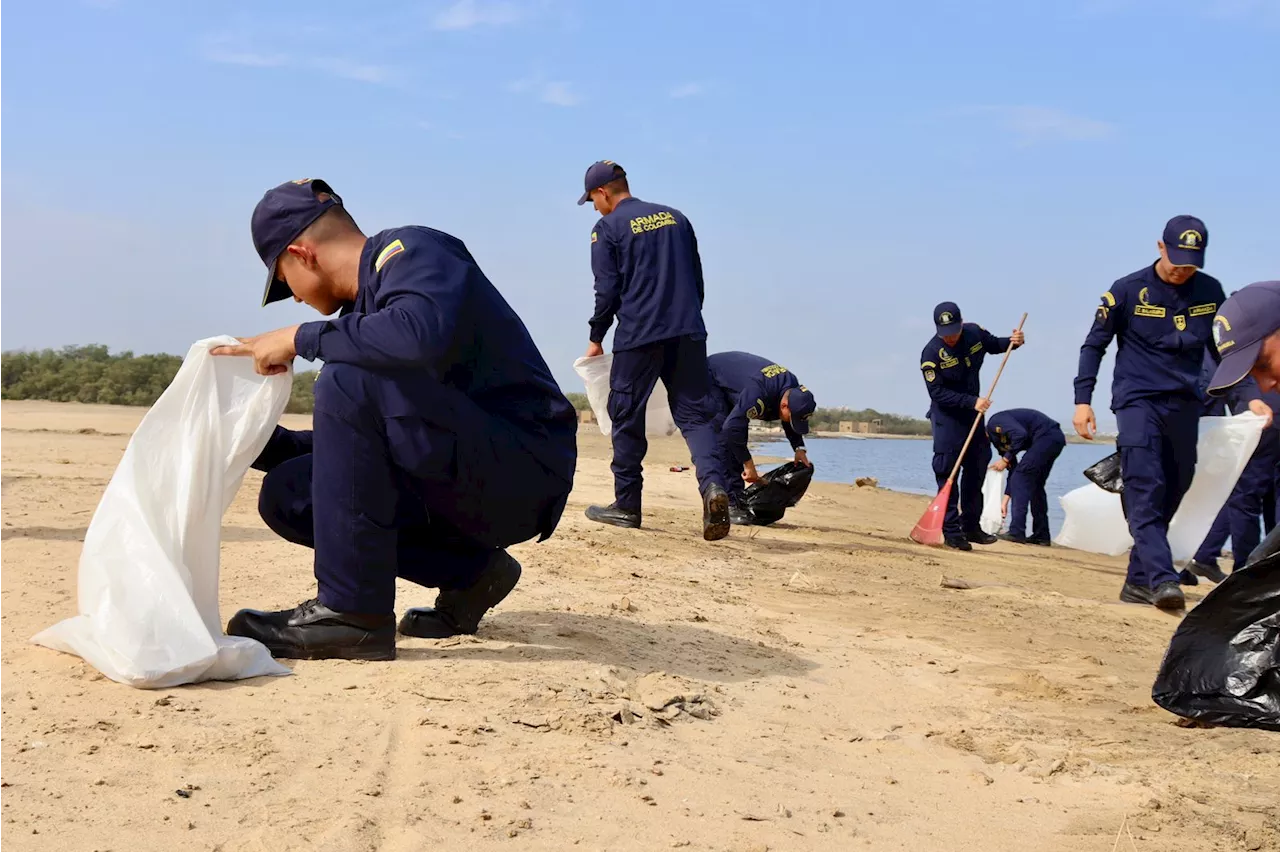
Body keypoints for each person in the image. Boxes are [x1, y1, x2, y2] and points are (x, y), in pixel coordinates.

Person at [210, 178, 578, 661]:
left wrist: (302, 337)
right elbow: (361, 453)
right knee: (290, 492)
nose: (295, 299)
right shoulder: (366, 314)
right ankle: (473, 575)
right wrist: (255, 442)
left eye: (283, 283)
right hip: (464, 471)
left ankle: (352, 615)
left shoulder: (413, 251)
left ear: (302, 253)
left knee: (347, 372)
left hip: (523, 468)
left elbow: (415, 336)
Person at [1073, 216, 1272, 611]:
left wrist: (1249, 395)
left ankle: (1136, 581)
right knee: (1146, 488)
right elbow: (1094, 345)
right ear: (1160, 247)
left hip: (1185, 404)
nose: (1183, 268)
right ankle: (1163, 579)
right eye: (1177, 258)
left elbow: (1227, 351)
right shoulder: (1127, 291)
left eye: (1192, 261)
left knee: (1175, 487)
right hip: (1137, 401)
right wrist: (1083, 400)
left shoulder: (1210, 291)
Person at [577, 160, 730, 541]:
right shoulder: (677, 219)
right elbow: (697, 280)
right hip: (688, 330)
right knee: (696, 417)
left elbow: (607, 290)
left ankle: (627, 505)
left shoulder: (607, 228)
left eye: (593, 200)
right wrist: (687, 318)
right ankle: (714, 487)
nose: (594, 208)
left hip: (639, 336)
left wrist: (597, 336)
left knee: (626, 414)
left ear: (603, 192)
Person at [920, 301, 1025, 551]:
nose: (951, 338)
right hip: (948, 419)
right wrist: (971, 401)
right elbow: (937, 393)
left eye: (954, 332)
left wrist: (1013, 341)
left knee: (977, 468)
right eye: (945, 334)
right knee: (947, 472)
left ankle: (971, 527)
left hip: (974, 419)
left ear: (961, 323)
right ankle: (951, 531)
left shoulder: (974, 333)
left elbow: (995, 345)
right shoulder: (931, 353)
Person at [706, 351, 817, 524]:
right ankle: (730, 505)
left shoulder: (792, 389)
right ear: (784, 405)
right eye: (791, 416)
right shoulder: (758, 392)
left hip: (738, 379)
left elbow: (788, 418)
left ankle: (735, 498)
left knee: (737, 434)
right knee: (728, 438)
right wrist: (748, 464)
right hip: (711, 376)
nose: (790, 420)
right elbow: (731, 429)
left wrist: (799, 448)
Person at [986, 408, 1066, 546]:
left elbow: (1020, 434)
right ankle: (1041, 535)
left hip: (1047, 437)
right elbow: (1013, 469)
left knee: (1022, 477)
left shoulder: (995, 422)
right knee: (1034, 484)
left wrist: (1005, 460)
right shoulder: (997, 441)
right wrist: (1005, 500)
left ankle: (1017, 532)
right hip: (1053, 439)